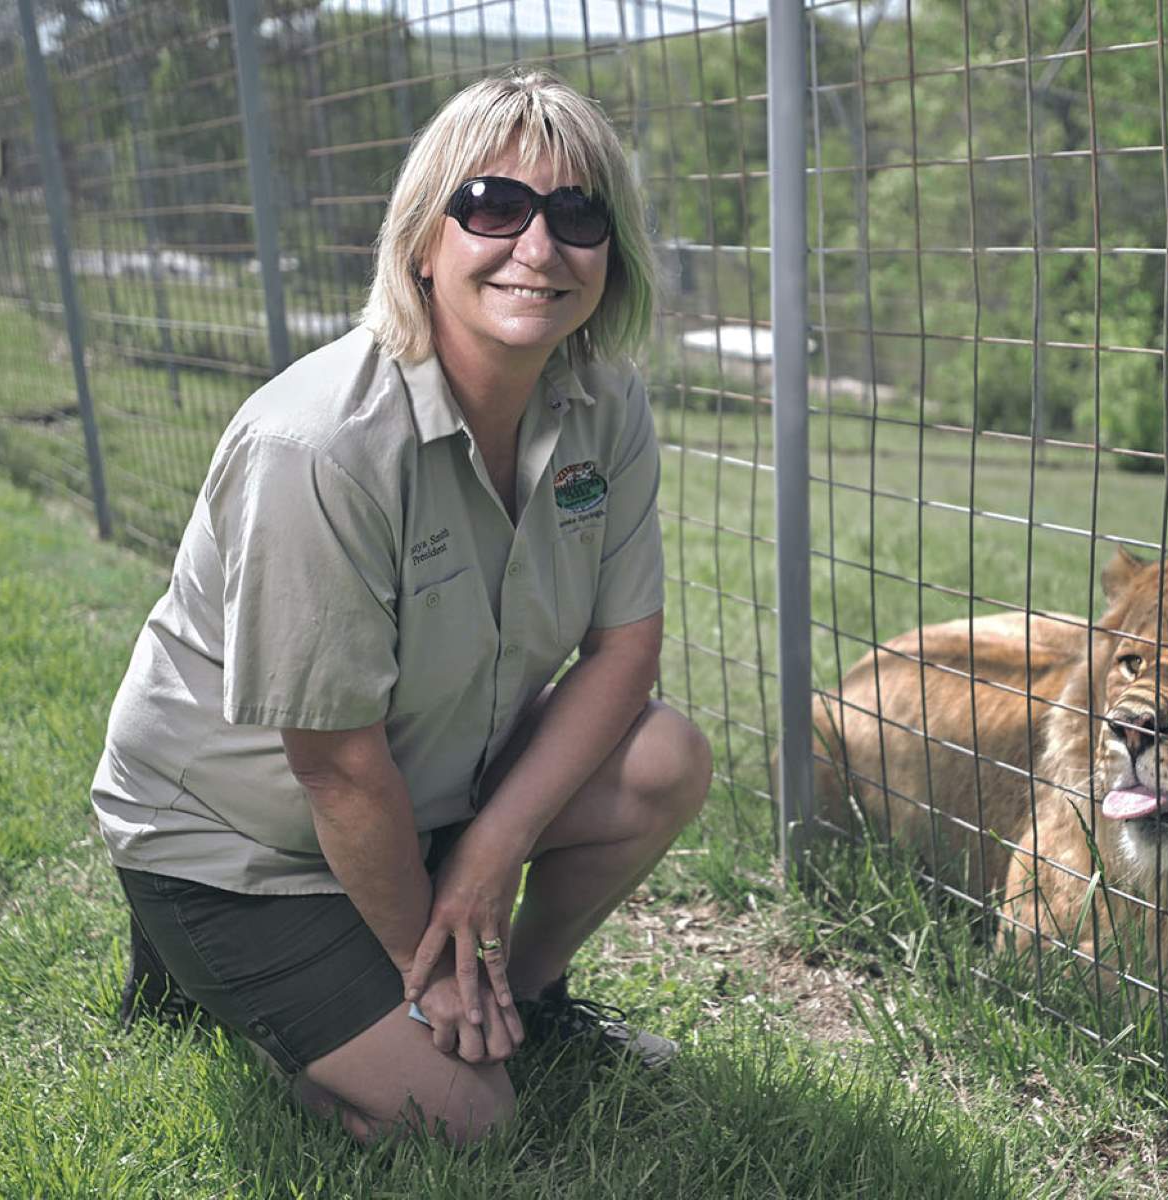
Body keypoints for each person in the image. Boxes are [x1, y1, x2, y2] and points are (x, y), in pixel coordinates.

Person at [89, 70, 712, 1146]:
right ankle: (225, 967)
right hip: (247, 839)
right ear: (424, 239)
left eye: (577, 214)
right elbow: (334, 765)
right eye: (493, 206)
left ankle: (518, 1002)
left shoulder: (607, 402)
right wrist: (426, 963)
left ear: (611, 254)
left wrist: (488, 856)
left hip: (425, 796)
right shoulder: (317, 446)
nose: (538, 246)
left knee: (665, 758)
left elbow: (625, 652)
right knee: (468, 1124)